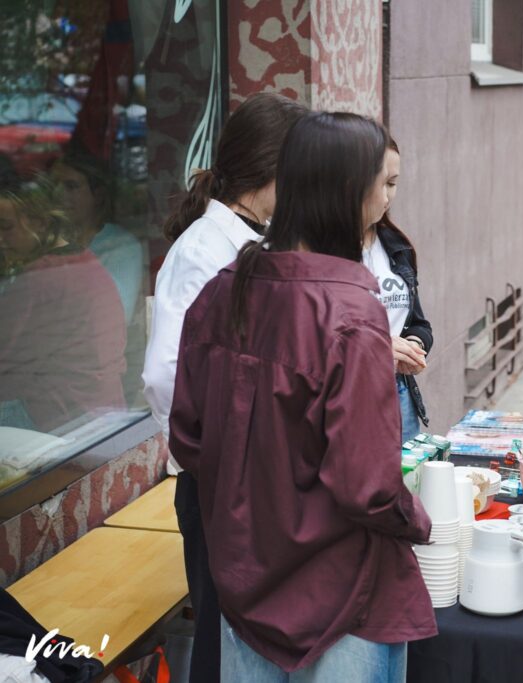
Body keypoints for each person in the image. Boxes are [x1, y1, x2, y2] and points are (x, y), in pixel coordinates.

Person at [169, 111, 436, 682]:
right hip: (338, 590)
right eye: (383, 184)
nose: (388, 199)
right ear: (347, 192)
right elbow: (367, 486)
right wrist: (418, 520)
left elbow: (189, 438)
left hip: (245, 578)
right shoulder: (348, 310)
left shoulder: (225, 289)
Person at [142, 92, 307, 683]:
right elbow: (165, 374)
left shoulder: (248, 238)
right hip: (218, 485)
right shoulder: (204, 251)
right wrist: (209, 461)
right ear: (269, 171)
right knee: (222, 635)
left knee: (246, 636)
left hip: (244, 481)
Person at [0, 186, 125, 433]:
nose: (0, 239)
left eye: (6, 227)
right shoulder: (84, 259)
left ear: (40, 223)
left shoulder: (40, 275)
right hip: (104, 409)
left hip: (62, 419)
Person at [362, 137, 432, 443]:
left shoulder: (395, 246)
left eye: (394, 183)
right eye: (382, 184)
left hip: (400, 391)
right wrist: (378, 349)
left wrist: (413, 347)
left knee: (407, 482)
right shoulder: (320, 256)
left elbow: (419, 323)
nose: (388, 196)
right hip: (357, 395)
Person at [51, 152, 143, 321]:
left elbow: (115, 313)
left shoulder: (121, 246)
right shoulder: (48, 239)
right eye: (54, 185)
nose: (59, 194)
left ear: (98, 195)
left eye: (71, 186)